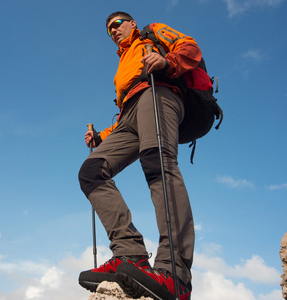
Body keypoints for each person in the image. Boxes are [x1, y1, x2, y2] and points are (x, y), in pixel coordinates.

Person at [78, 11, 202, 300]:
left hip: (159, 92)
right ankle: (129, 254)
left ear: (132, 23)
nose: (113, 31)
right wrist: (101, 137)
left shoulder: (152, 33)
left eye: (117, 24)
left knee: (158, 165)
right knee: (91, 171)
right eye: (109, 30)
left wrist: (166, 61)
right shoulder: (124, 60)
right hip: (132, 110)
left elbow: (190, 48)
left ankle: (175, 274)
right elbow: (126, 114)